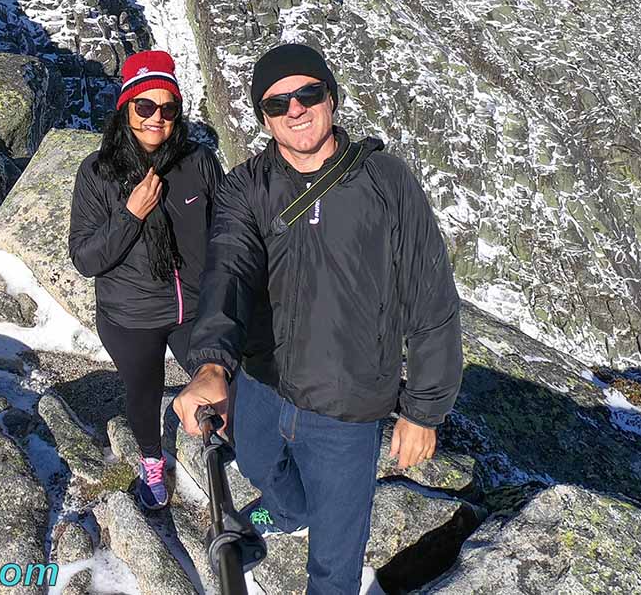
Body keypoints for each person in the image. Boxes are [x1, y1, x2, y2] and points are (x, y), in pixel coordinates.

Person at [172, 43, 463, 594]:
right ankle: (281, 516)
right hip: (263, 386)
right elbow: (228, 270)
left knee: (332, 568)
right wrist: (212, 364)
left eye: (308, 93)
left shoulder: (386, 182)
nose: (296, 109)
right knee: (262, 474)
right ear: (263, 118)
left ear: (331, 97)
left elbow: (431, 298)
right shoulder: (246, 187)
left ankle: (293, 522)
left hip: (346, 411)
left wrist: (423, 411)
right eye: (278, 103)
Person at [69, 50, 224, 510]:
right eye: (145, 107)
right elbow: (85, 257)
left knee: (219, 379)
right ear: (126, 109)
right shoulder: (98, 173)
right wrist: (130, 214)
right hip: (130, 316)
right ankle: (152, 461)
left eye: (168, 108)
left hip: (193, 308)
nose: (157, 118)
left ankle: (222, 447)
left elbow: (226, 226)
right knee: (145, 392)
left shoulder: (197, 162)